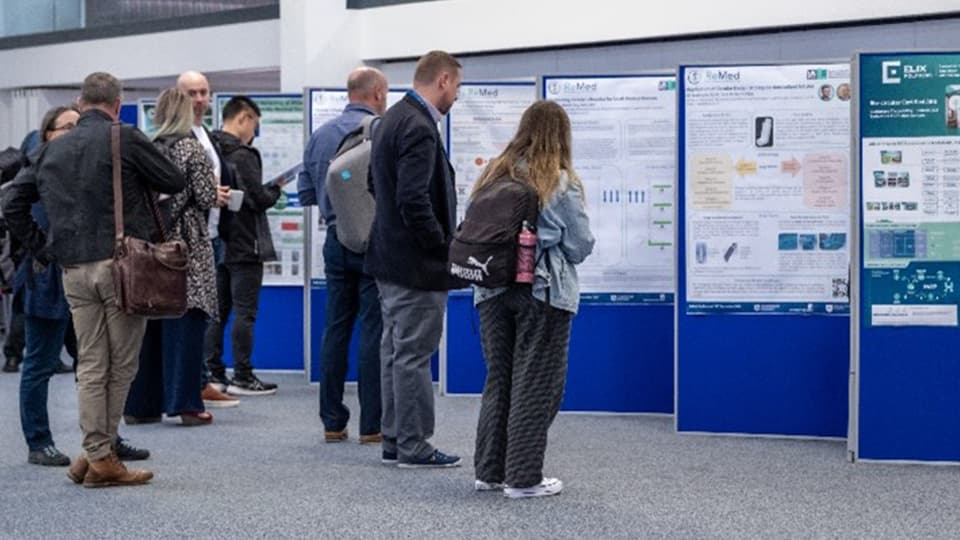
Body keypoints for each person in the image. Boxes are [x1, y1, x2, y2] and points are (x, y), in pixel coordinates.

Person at [3, 72, 186, 487]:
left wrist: (43, 248)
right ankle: (101, 456)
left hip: (72, 270)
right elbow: (174, 181)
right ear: (117, 106)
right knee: (120, 364)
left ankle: (92, 454)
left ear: (81, 104)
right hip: (121, 267)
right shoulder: (126, 138)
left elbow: (12, 201)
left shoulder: (51, 148)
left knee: (90, 362)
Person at [471, 100, 594, 498]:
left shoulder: (492, 173)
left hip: (490, 290)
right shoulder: (559, 180)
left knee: (500, 379)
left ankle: (490, 472)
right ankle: (523, 478)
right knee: (536, 383)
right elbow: (579, 245)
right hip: (542, 291)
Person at [365, 50, 463, 467]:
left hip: (389, 259)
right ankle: (414, 444)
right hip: (416, 266)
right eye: (457, 86)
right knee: (413, 355)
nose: (457, 96)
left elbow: (373, 183)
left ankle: (395, 439)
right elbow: (414, 199)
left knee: (395, 351)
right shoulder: (419, 127)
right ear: (443, 80)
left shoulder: (390, 119)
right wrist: (442, 247)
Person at [123, 88, 229, 426]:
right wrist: (217, 193)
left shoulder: (147, 147)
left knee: (150, 325)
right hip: (186, 247)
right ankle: (186, 404)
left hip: (150, 244)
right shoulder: (191, 148)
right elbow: (204, 196)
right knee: (187, 321)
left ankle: (140, 405)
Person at [298, 67, 388, 444]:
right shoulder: (382, 133)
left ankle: (332, 422)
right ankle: (372, 426)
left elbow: (306, 194)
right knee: (372, 329)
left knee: (335, 328)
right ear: (378, 93)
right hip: (375, 242)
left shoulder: (320, 136)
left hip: (336, 240)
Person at [204, 96, 283, 396]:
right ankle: (243, 375)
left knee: (218, 312)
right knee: (245, 312)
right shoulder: (243, 155)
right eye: (254, 126)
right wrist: (275, 189)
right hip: (246, 242)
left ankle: (213, 373)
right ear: (243, 118)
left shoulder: (210, 149)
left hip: (218, 239)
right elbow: (257, 199)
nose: (254, 133)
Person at [15, 105, 79, 466]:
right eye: (65, 127)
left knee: (93, 365)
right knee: (40, 364)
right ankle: (39, 442)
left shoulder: (82, 166)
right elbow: (12, 207)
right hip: (46, 279)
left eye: (77, 126)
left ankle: (105, 439)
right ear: (48, 133)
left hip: (81, 277)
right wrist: (40, 248)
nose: (73, 132)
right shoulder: (39, 164)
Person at [176, 70, 239, 409]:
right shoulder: (177, 137)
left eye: (204, 92)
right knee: (193, 314)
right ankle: (195, 384)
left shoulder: (206, 135)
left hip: (212, 233)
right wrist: (207, 195)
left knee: (205, 314)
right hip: (188, 239)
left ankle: (201, 380)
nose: (200, 99)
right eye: (192, 93)